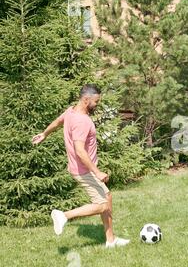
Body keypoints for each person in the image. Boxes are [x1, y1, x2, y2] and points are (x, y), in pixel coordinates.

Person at [32, 84, 129, 248]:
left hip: (80, 168)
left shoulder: (71, 112)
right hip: (84, 171)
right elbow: (79, 150)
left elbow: (57, 122)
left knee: (108, 197)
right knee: (103, 205)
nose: (97, 105)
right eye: (96, 102)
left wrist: (44, 134)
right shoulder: (82, 121)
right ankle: (64, 216)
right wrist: (97, 172)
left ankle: (111, 240)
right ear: (86, 100)